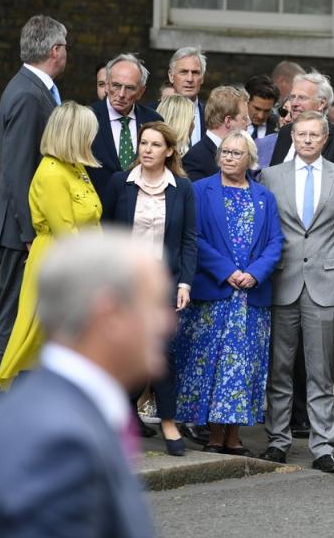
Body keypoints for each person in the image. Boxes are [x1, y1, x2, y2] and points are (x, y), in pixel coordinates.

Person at [0, 231, 175, 538]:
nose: (169, 322)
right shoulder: (60, 443)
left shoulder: (43, 410)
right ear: (110, 314)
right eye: (154, 305)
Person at [258, 111, 334, 473]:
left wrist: (326, 256)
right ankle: (278, 441)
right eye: (300, 134)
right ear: (293, 136)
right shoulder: (270, 176)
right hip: (282, 280)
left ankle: (322, 447)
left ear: (324, 139)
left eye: (313, 135)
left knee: (320, 371)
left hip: (323, 280)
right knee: (280, 368)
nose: (306, 140)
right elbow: (265, 226)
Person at [175, 130, 284, 455]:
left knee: (243, 365)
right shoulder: (200, 190)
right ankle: (212, 434)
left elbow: (275, 242)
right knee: (210, 362)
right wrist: (228, 271)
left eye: (236, 153)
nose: (229, 157)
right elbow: (193, 237)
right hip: (214, 292)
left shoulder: (264, 196)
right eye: (225, 151)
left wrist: (255, 273)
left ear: (250, 159)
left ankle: (233, 436)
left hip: (251, 298)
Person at [101, 121, 197, 456]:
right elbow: (108, 233)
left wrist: (185, 282)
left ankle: (168, 420)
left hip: (164, 284)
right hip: (125, 282)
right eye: (143, 143)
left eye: (155, 144)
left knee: (162, 352)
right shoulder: (120, 184)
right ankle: (120, 416)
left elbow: (188, 240)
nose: (147, 149)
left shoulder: (182, 188)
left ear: (169, 150)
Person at [0, 101, 102, 389]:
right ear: (73, 134)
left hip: (79, 261)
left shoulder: (75, 167)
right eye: (88, 132)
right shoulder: (52, 173)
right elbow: (66, 232)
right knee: (41, 335)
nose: (93, 138)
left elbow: (92, 218)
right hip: (59, 262)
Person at [0, 14, 68, 371]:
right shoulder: (26, 95)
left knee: (29, 312)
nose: (67, 54)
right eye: (65, 47)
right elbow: (18, 169)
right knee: (15, 313)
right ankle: (4, 401)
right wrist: (29, 233)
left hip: (28, 227)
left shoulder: (34, 89)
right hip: (21, 230)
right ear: (54, 50)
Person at [88, 54, 163, 198]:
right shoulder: (87, 118)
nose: (121, 94)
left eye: (129, 88)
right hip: (98, 211)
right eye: (116, 86)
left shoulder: (153, 120)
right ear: (107, 85)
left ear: (141, 91)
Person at [267, 72, 334, 184]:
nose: (294, 103)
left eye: (302, 98)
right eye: (292, 97)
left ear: (321, 103)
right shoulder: (285, 132)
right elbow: (272, 180)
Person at [182, 85, 250, 181]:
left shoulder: (243, 154)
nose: (248, 123)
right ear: (228, 121)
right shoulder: (195, 159)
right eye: (244, 118)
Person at [165, 47, 207, 147]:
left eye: (195, 72)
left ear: (202, 78)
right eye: (183, 72)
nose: (189, 79)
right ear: (171, 76)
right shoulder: (154, 113)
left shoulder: (211, 116)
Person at [245, 74, 280, 140]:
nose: (261, 116)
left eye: (267, 111)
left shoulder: (279, 126)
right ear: (246, 101)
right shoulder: (231, 124)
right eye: (257, 109)